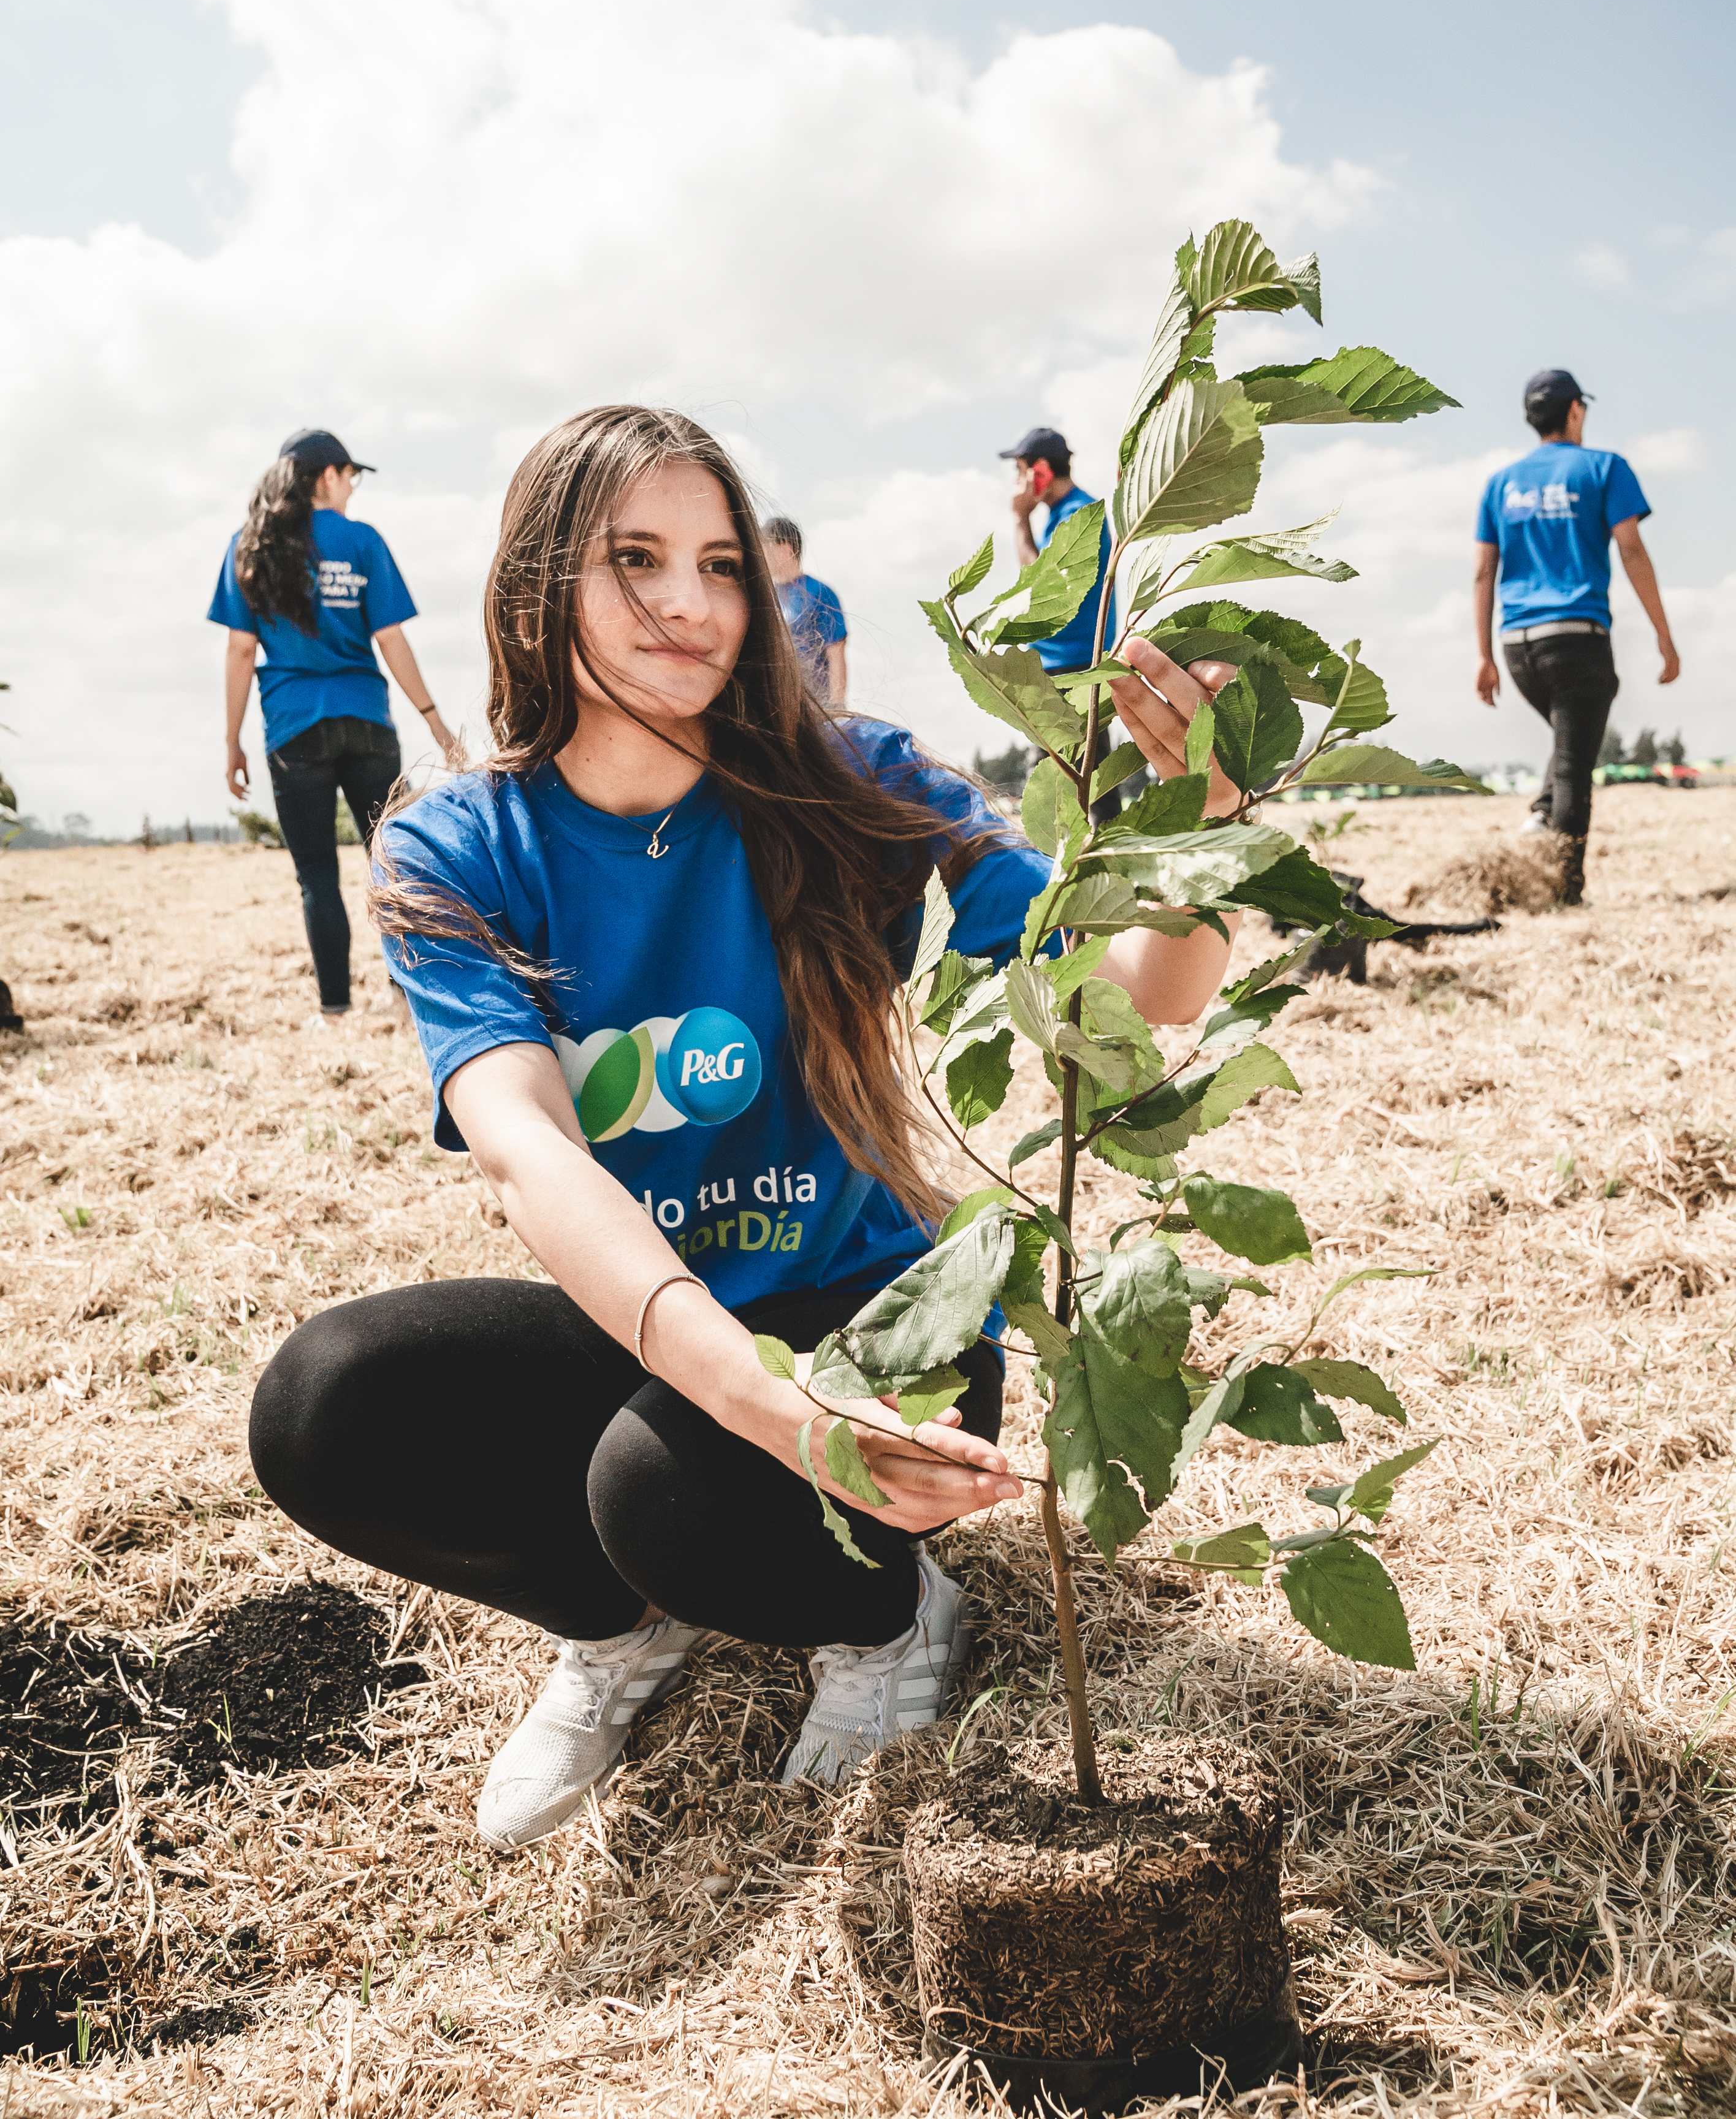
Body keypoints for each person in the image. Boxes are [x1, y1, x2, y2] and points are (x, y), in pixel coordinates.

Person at [246, 406, 1242, 1852]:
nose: (690, 601)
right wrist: (774, 1414)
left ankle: (889, 1616)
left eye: (719, 562)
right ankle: (616, 1627)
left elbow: (1139, 1003)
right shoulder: (456, 845)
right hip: (665, 1308)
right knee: (325, 1405)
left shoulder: (855, 781)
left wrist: (1198, 816)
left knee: (662, 1488)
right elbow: (527, 1148)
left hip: (876, 1314)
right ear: (535, 586)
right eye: (633, 558)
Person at [210, 428, 456, 1018]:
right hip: (368, 721)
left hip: (295, 728)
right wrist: (434, 722)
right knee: (392, 862)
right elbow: (391, 638)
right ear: (328, 475)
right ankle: (407, 996)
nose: (353, 489)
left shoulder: (250, 544)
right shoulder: (363, 541)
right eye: (352, 477)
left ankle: (336, 1009)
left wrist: (232, 742)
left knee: (316, 874)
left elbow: (241, 651)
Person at [1473, 369, 1679, 905]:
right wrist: (1664, 635)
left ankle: (1541, 814)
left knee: (1570, 746)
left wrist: (1484, 657)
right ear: (1575, 411)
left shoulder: (1500, 483)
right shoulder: (1604, 467)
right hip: (1577, 638)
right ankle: (1564, 892)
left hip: (1517, 646)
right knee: (1574, 768)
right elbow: (1631, 550)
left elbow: (1482, 573)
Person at [1002, 425, 1121, 812]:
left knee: (1074, 786)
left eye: (1021, 471)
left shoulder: (1078, 515)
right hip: (1070, 662)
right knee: (1083, 780)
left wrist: (1020, 519)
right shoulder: (1066, 515)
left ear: (1041, 471)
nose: (1018, 483)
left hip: (1073, 665)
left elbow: (1042, 588)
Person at [761, 514, 847, 704]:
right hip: (779, 705)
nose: (761, 556)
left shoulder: (820, 593)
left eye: (765, 549)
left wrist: (837, 706)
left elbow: (836, 653)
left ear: (785, 550)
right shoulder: (766, 598)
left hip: (817, 705)